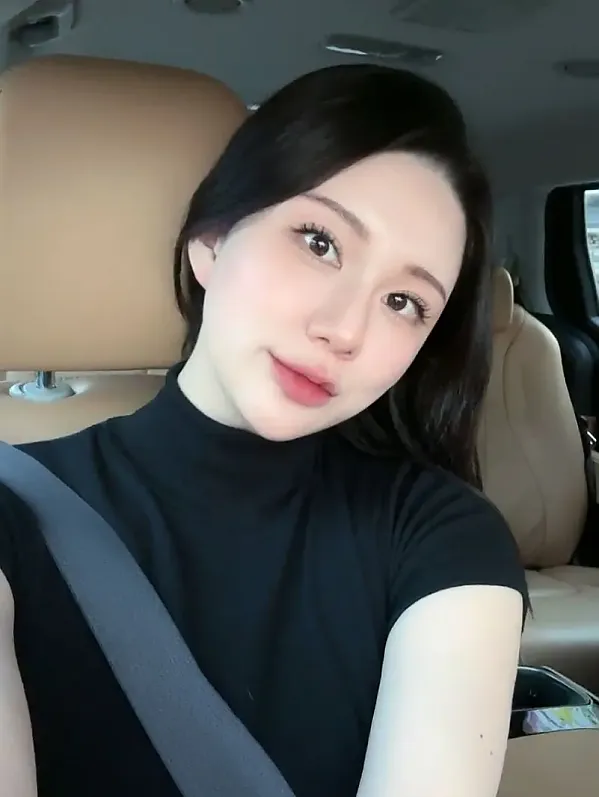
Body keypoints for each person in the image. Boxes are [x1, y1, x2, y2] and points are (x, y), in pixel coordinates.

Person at [0, 63, 528, 797]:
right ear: (212, 240)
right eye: (319, 241)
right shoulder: (14, 509)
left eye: (404, 301)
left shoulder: (443, 536)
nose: (345, 329)